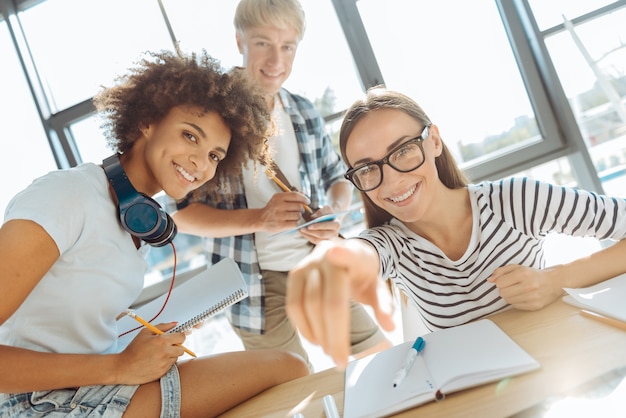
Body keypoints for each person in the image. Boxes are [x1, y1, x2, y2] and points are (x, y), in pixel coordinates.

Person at [0, 49, 309, 418]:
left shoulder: (138, 221)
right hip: (36, 404)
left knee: (290, 367)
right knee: (285, 369)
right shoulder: (65, 196)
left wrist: (141, 350)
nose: (200, 163)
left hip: (93, 385)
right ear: (148, 121)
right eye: (190, 136)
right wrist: (119, 367)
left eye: (214, 155)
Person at [285, 86, 626, 369]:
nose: (391, 182)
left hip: (560, 367)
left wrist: (554, 280)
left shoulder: (514, 200)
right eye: (367, 169)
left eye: (402, 151)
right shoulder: (394, 244)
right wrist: (333, 259)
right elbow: (363, 253)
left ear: (433, 141)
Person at [168, 0, 390, 371]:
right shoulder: (209, 115)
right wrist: (261, 219)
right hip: (254, 285)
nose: (276, 61)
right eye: (262, 44)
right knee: (294, 385)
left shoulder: (303, 111)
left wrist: (331, 213)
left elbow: (338, 179)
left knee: (380, 359)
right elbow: (183, 214)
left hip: (318, 263)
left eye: (287, 46)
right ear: (239, 40)